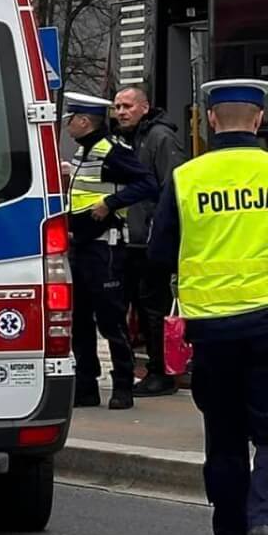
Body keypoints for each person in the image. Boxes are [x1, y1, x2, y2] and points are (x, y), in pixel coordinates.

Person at [150, 80, 268, 535]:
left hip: (211, 330)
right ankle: (264, 520)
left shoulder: (185, 177)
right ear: (259, 120)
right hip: (267, 324)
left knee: (223, 439)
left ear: (213, 120)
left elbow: (157, 255)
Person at [109, 85, 184, 394]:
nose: (121, 112)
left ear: (144, 107)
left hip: (150, 240)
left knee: (153, 308)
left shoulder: (159, 139)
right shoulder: (123, 140)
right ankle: (135, 373)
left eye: (127, 106)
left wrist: (160, 232)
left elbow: (173, 186)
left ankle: (161, 373)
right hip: (127, 239)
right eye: (117, 107)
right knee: (131, 308)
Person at [64, 93, 136, 410]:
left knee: (111, 320)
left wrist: (110, 204)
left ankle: (123, 385)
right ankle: (87, 385)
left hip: (105, 249)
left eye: (70, 119)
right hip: (80, 247)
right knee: (79, 320)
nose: (67, 124)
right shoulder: (83, 152)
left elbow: (147, 184)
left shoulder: (112, 153)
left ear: (84, 121)